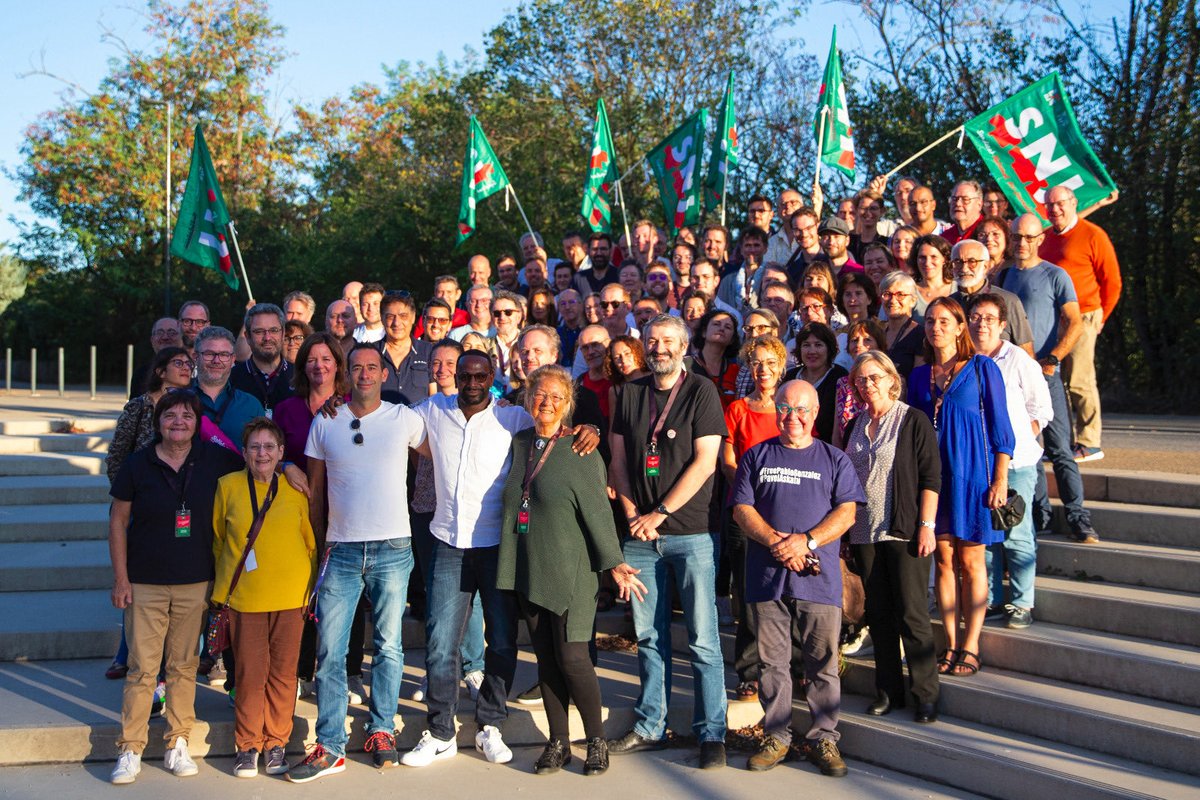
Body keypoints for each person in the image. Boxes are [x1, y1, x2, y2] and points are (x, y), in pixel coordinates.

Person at [400, 350, 599, 769]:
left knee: (503, 642)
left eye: (480, 375)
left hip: (499, 547)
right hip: (449, 544)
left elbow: (555, 423)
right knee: (439, 644)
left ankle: (491, 723)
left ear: (492, 376)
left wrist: (589, 428)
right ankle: (440, 731)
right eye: (465, 375)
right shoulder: (433, 411)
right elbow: (385, 419)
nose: (472, 382)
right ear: (455, 375)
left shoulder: (513, 417)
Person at [497, 365, 646, 776]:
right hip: (529, 566)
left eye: (555, 397)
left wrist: (614, 564)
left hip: (572, 571)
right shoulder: (521, 442)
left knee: (573, 658)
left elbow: (600, 514)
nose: (546, 403)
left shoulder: (581, 450)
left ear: (568, 406)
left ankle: (596, 741)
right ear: (527, 399)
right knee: (545, 659)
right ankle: (557, 741)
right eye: (539, 395)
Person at [289, 345, 426, 781]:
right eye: (357, 368)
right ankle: (330, 744)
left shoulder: (404, 418)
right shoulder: (325, 420)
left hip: (392, 547)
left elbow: (443, 458)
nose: (365, 374)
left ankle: (382, 729)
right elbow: (313, 489)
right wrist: (317, 543)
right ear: (346, 374)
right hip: (341, 549)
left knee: (389, 645)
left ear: (384, 373)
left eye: (372, 367)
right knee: (331, 650)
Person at [607, 314, 729, 770]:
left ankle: (712, 732)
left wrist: (661, 512)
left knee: (702, 639)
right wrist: (634, 514)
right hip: (640, 535)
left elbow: (705, 462)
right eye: (652, 340)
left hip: (690, 533)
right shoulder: (629, 393)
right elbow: (617, 461)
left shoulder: (701, 391)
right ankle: (650, 725)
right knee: (649, 635)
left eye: (667, 341)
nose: (659, 347)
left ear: (683, 346)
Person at [108, 390, 245, 784]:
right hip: (144, 582)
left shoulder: (216, 460)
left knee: (183, 666)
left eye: (187, 416)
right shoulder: (138, 463)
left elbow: (257, 466)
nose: (178, 422)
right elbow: (117, 521)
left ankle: (177, 742)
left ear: (197, 422)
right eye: (171, 416)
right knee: (142, 669)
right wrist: (120, 579)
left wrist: (290, 469)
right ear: (159, 421)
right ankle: (130, 748)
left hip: (196, 581)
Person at [731, 380, 865, 776]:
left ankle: (824, 737)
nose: (794, 417)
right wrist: (777, 542)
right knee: (772, 662)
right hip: (767, 576)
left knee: (822, 662)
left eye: (802, 409)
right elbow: (741, 508)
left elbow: (847, 513)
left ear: (816, 411)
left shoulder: (834, 459)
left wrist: (805, 542)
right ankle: (777, 736)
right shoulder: (757, 455)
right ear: (777, 411)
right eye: (786, 409)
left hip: (818, 579)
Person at [908, 298, 1014, 679]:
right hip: (933, 481)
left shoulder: (983, 368)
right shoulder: (919, 376)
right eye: (930, 321)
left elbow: (1002, 429)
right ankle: (951, 643)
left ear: (959, 327)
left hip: (973, 477)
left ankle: (972, 645)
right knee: (942, 561)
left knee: (971, 561)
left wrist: (1000, 478)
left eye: (944, 321)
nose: (936, 327)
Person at [212, 417, 315, 778]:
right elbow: (219, 539)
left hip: (291, 596)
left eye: (269, 447)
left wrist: (309, 589)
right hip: (246, 597)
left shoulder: (295, 487)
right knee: (250, 674)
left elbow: (309, 541)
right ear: (243, 452)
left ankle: (276, 743)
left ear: (282, 453)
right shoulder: (227, 486)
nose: (262, 453)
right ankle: (248, 745)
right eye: (255, 446)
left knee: (284, 674)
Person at [842, 352, 941, 723]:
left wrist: (927, 526)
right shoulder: (855, 424)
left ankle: (925, 695)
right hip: (864, 531)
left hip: (903, 530)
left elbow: (931, 477)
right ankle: (888, 691)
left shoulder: (912, 420)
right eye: (861, 380)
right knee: (878, 613)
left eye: (874, 377)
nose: (868, 384)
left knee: (912, 614)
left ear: (890, 378)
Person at [272, 334, 370, 704]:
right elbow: (267, 449)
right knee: (305, 590)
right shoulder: (286, 409)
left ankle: (351, 671)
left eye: (326, 359)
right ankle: (302, 669)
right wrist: (285, 465)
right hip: (299, 512)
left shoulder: (352, 407)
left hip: (346, 510)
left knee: (349, 592)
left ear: (338, 364)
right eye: (311, 360)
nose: (319, 366)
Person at [997, 213, 1096, 542]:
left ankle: (1077, 516)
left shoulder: (1056, 275)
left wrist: (1053, 358)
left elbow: (1075, 321)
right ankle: (1040, 515)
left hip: (1044, 376)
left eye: (1028, 237)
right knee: (1028, 449)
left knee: (1059, 448)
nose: (1021, 243)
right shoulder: (1002, 276)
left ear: (1040, 239)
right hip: (1011, 381)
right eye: (1016, 237)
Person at [103, 346, 195, 680]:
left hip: (177, 507)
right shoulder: (139, 407)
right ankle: (128, 656)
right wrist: (125, 494)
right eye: (179, 363)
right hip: (139, 504)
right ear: (160, 370)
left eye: (189, 363)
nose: (186, 368)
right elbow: (116, 455)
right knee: (137, 587)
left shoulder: (191, 406)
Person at [966, 294, 1052, 629]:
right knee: (985, 536)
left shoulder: (1018, 361)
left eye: (989, 318)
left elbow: (1042, 410)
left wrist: (1016, 438)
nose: (981, 323)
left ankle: (1021, 602)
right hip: (976, 464)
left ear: (1002, 324)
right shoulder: (963, 359)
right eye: (975, 316)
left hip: (1015, 465)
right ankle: (990, 599)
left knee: (1016, 533)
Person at [408, 338, 486, 707]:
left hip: (470, 518)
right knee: (438, 596)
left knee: (469, 598)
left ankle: (473, 666)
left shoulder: (491, 410)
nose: (441, 368)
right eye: (435, 362)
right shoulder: (425, 407)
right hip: (428, 509)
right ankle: (441, 668)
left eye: (449, 361)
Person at [719, 334, 787, 705]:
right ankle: (748, 672)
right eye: (757, 363)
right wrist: (749, 492)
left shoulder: (792, 405)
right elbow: (727, 461)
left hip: (787, 511)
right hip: (746, 510)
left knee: (784, 591)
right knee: (746, 594)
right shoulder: (737, 410)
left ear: (781, 366)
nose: (764, 370)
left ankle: (789, 666)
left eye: (770, 362)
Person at [1039, 185, 1122, 462]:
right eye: (1049, 205)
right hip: (1053, 318)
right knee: (1054, 380)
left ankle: (1089, 441)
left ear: (1073, 203)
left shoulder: (1093, 235)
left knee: (1079, 379)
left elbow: (1112, 281)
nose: (1055, 209)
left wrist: (1101, 317)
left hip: (1085, 315)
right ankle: (1062, 443)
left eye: (1060, 203)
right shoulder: (1046, 238)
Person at [949, 239, 1035, 356]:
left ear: (985, 266)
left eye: (972, 262)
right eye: (958, 262)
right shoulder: (949, 306)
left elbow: (1026, 352)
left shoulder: (1008, 301)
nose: (964, 268)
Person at [192, 327, 266, 447]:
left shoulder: (251, 405)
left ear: (233, 360)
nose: (216, 360)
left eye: (224, 354)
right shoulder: (177, 401)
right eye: (209, 354)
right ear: (195, 357)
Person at [784, 323, 847, 443]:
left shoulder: (839, 377)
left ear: (829, 349)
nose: (812, 351)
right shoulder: (790, 378)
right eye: (806, 345)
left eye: (818, 345)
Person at [231, 303, 295, 414]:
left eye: (274, 330)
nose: (267, 338)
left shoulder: (301, 376)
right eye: (259, 331)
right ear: (248, 337)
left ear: (283, 333)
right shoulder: (231, 379)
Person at [832, 320, 887, 447]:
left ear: (879, 346)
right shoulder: (843, 383)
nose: (859, 344)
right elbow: (836, 432)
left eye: (867, 339)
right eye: (854, 340)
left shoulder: (888, 380)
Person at [375, 292, 433, 407]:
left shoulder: (429, 352)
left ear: (413, 317)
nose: (397, 323)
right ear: (382, 319)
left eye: (403, 316)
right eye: (390, 317)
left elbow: (436, 397)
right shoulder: (370, 353)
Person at [690, 308, 742, 408]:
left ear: (732, 340)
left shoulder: (737, 372)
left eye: (727, 327)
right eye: (716, 324)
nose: (721, 329)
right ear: (704, 332)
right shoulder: (684, 366)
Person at [878, 272, 926, 377]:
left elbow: (919, 378)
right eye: (887, 294)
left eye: (900, 295)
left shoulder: (921, 335)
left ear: (913, 300)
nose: (893, 300)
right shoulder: (877, 333)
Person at [130, 318, 184, 395]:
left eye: (172, 333)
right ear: (152, 340)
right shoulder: (141, 374)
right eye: (160, 333)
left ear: (182, 339)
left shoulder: (189, 370)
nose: (165, 337)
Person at [910, 234, 955, 317]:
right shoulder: (909, 291)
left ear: (944, 259)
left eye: (934, 257)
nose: (927, 263)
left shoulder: (958, 288)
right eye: (922, 257)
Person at [605, 335, 648, 415]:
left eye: (627, 354)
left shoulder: (655, 377)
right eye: (617, 357)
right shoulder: (615, 390)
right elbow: (614, 424)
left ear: (638, 352)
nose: (623, 361)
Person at [765, 188, 804, 265]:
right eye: (783, 204)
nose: (788, 206)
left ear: (802, 207)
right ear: (778, 211)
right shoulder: (772, 242)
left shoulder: (811, 236)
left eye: (793, 202)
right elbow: (766, 269)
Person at [555, 288, 584, 366]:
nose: (567, 307)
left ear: (581, 305)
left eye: (571, 302)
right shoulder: (555, 335)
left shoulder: (589, 332)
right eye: (563, 303)